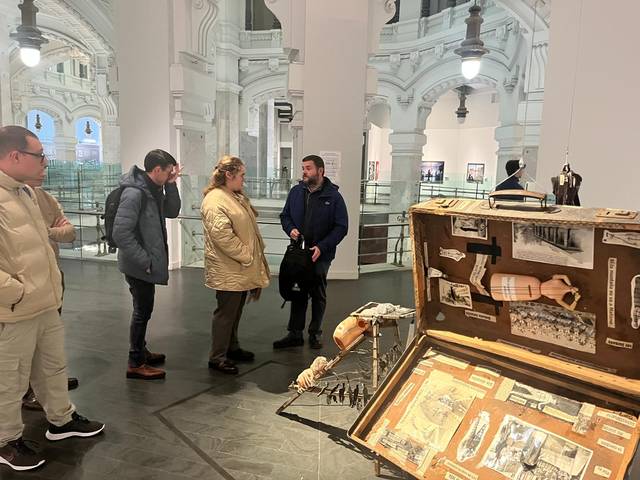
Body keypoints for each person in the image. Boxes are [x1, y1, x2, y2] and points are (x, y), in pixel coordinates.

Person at [0, 126, 104, 472]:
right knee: (9, 378)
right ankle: (5, 441)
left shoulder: (26, 194)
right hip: (14, 311)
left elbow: (49, 236)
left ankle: (61, 420)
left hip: (44, 304)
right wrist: (18, 292)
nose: (45, 162)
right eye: (38, 155)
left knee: (52, 367)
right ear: (14, 156)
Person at [113, 149, 182, 380]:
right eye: (169, 171)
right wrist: (145, 261)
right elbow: (121, 234)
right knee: (142, 311)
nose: (172, 173)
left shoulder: (154, 188)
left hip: (144, 262)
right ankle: (135, 362)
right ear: (156, 170)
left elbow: (172, 211)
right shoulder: (134, 194)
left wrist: (171, 185)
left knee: (144, 309)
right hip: (138, 264)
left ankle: (141, 350)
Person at [201, 156, 270, 375]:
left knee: (234, 311)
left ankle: (231, 347)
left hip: (237, 268)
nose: (244, 180)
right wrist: (247, 256)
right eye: (241, 175)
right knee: (225, 313)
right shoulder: (215, 200)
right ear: (229, 175)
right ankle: (217, 357)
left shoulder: (232, 196)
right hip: (229, 268)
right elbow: (222, 236)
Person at [273, 154, 348, 350]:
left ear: (320, 171)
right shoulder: (296, 192)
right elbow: (285, 215)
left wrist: (322, 247)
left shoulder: (334, 197)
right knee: (298, 291)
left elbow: (341, 227)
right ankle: (295, 333)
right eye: (303, 168)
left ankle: (315, 333)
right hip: (298, 253)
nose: (304, 172)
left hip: (320, 255)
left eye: (308, 168)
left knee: (317, 293)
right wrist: (290, 229)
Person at [22, 172, 79, 411]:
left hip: (52, 276)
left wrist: (46, 231)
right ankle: (28, 391)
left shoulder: (45, 198)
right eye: (38, 157)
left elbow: (69, 232)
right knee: (27, 340)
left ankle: (47, 381)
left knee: (49, 334)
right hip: (25, 284)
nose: (44, 165)